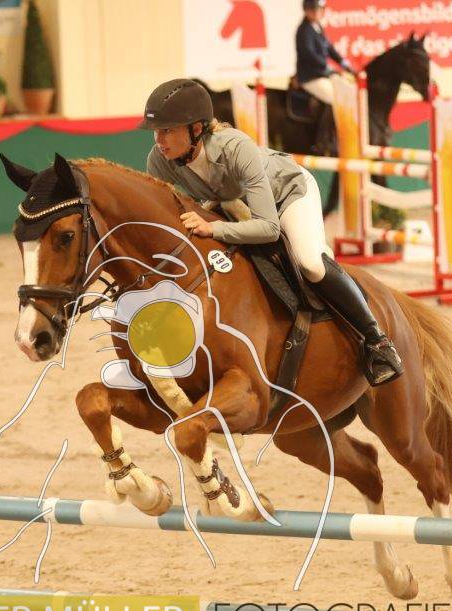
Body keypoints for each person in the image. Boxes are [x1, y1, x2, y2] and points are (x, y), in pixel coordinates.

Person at [141, 79, 403, 385]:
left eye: (167, 130)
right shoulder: (159, 160)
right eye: (156, 131)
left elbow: (268, 228)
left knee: (310, 263)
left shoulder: (235, 147)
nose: (159, 139)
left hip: (287, 195)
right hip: (236, 203)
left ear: (196, 129)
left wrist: (213, 227)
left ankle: (378, 341)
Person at [296, 0, 354, 107]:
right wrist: (327, 66)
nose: (316, 13)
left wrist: (343, 62)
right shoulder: (304, 31)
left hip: (323, 73)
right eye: (312, 10)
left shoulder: (318, 27)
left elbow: (329, 47)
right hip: (311, 77)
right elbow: (309, 55)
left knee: (346, 90)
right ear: (306, 11)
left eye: (318, 10)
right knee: (335, 98)